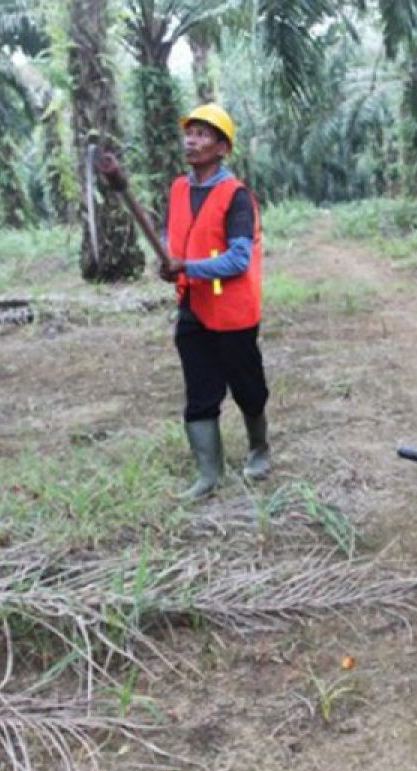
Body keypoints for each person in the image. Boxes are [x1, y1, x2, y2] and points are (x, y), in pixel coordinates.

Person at [159, 103, 271, 496]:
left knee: (247, 387)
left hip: (233, 313)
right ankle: (209, 475)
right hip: (193, 307)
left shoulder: (235, 196)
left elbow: (239, 259)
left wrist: (184, 266)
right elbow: (170, 235)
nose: (192, 140)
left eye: (203, 134)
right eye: (190, 132)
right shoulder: (178, 189)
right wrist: (167, 259)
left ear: (222, 147)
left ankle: (259, 447)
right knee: (200, 390)